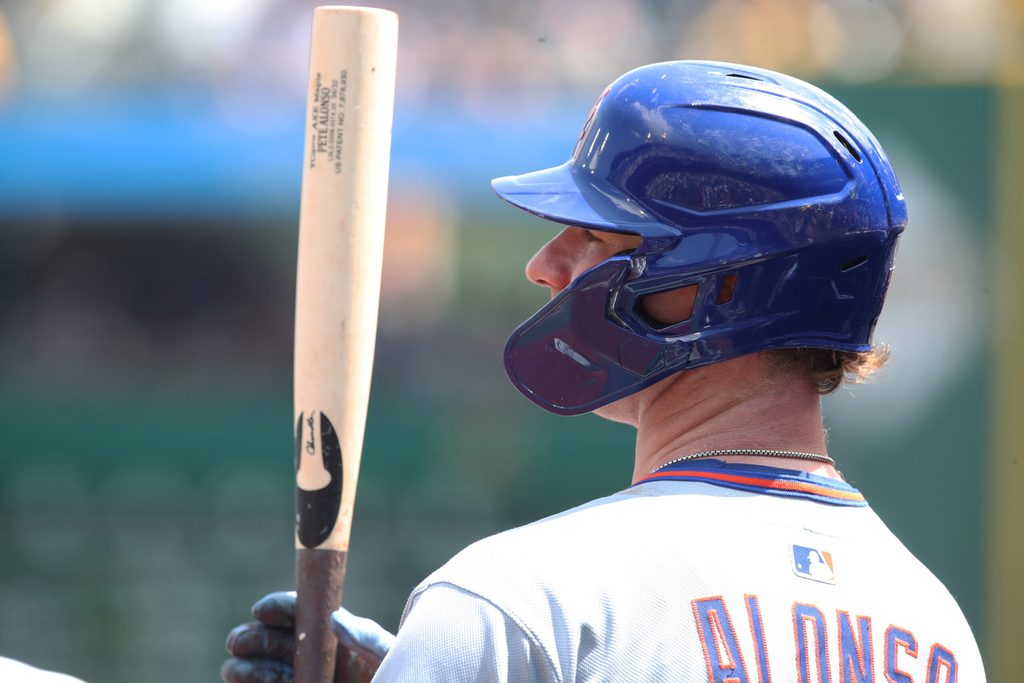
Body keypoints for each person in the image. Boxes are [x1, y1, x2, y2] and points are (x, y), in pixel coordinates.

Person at [222, 61, 985, 682]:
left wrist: (461, 656)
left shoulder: (520, 600)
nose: (543, 264)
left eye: (590, 235)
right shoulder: (936, 627)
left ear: (717, 285)